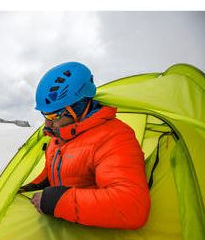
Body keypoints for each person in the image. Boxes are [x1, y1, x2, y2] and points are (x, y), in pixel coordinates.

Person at [19, 62, 151, 229]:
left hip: (94, 238)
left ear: (78, 107)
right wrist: (39, 183)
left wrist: (56, 201)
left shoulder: (114, 137)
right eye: (45, 115)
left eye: (54, 115)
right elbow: (55, 166)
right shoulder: (60, 134)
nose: (47, 124)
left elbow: (132, 207)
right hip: (62, 227)